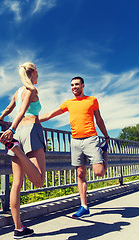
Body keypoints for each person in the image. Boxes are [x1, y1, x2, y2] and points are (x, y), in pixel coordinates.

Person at [39, 76, 109, 219]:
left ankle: (104, 151)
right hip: (75, 141)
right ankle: (84, 207)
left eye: (77, 84)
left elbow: (99, 119)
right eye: (72, 85)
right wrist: (29, 119)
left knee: (99, 172)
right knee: (80, 174)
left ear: (83, 86)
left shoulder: (92, 100)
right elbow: (50, 114)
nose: (74, 87)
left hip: (91, 139)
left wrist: (106, 136)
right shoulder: (68, 103)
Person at [0, 62, 46, 239]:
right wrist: (11, 130)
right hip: (30, 130)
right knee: (39, 181)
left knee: (16, 184)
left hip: (17, 133)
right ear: (34, 73)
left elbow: (11, 108)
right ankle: (17, 150)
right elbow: (23, 110)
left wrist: (1, 118)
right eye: (37, 72)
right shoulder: (31, 90)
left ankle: (18, 228)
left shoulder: (18, 91)